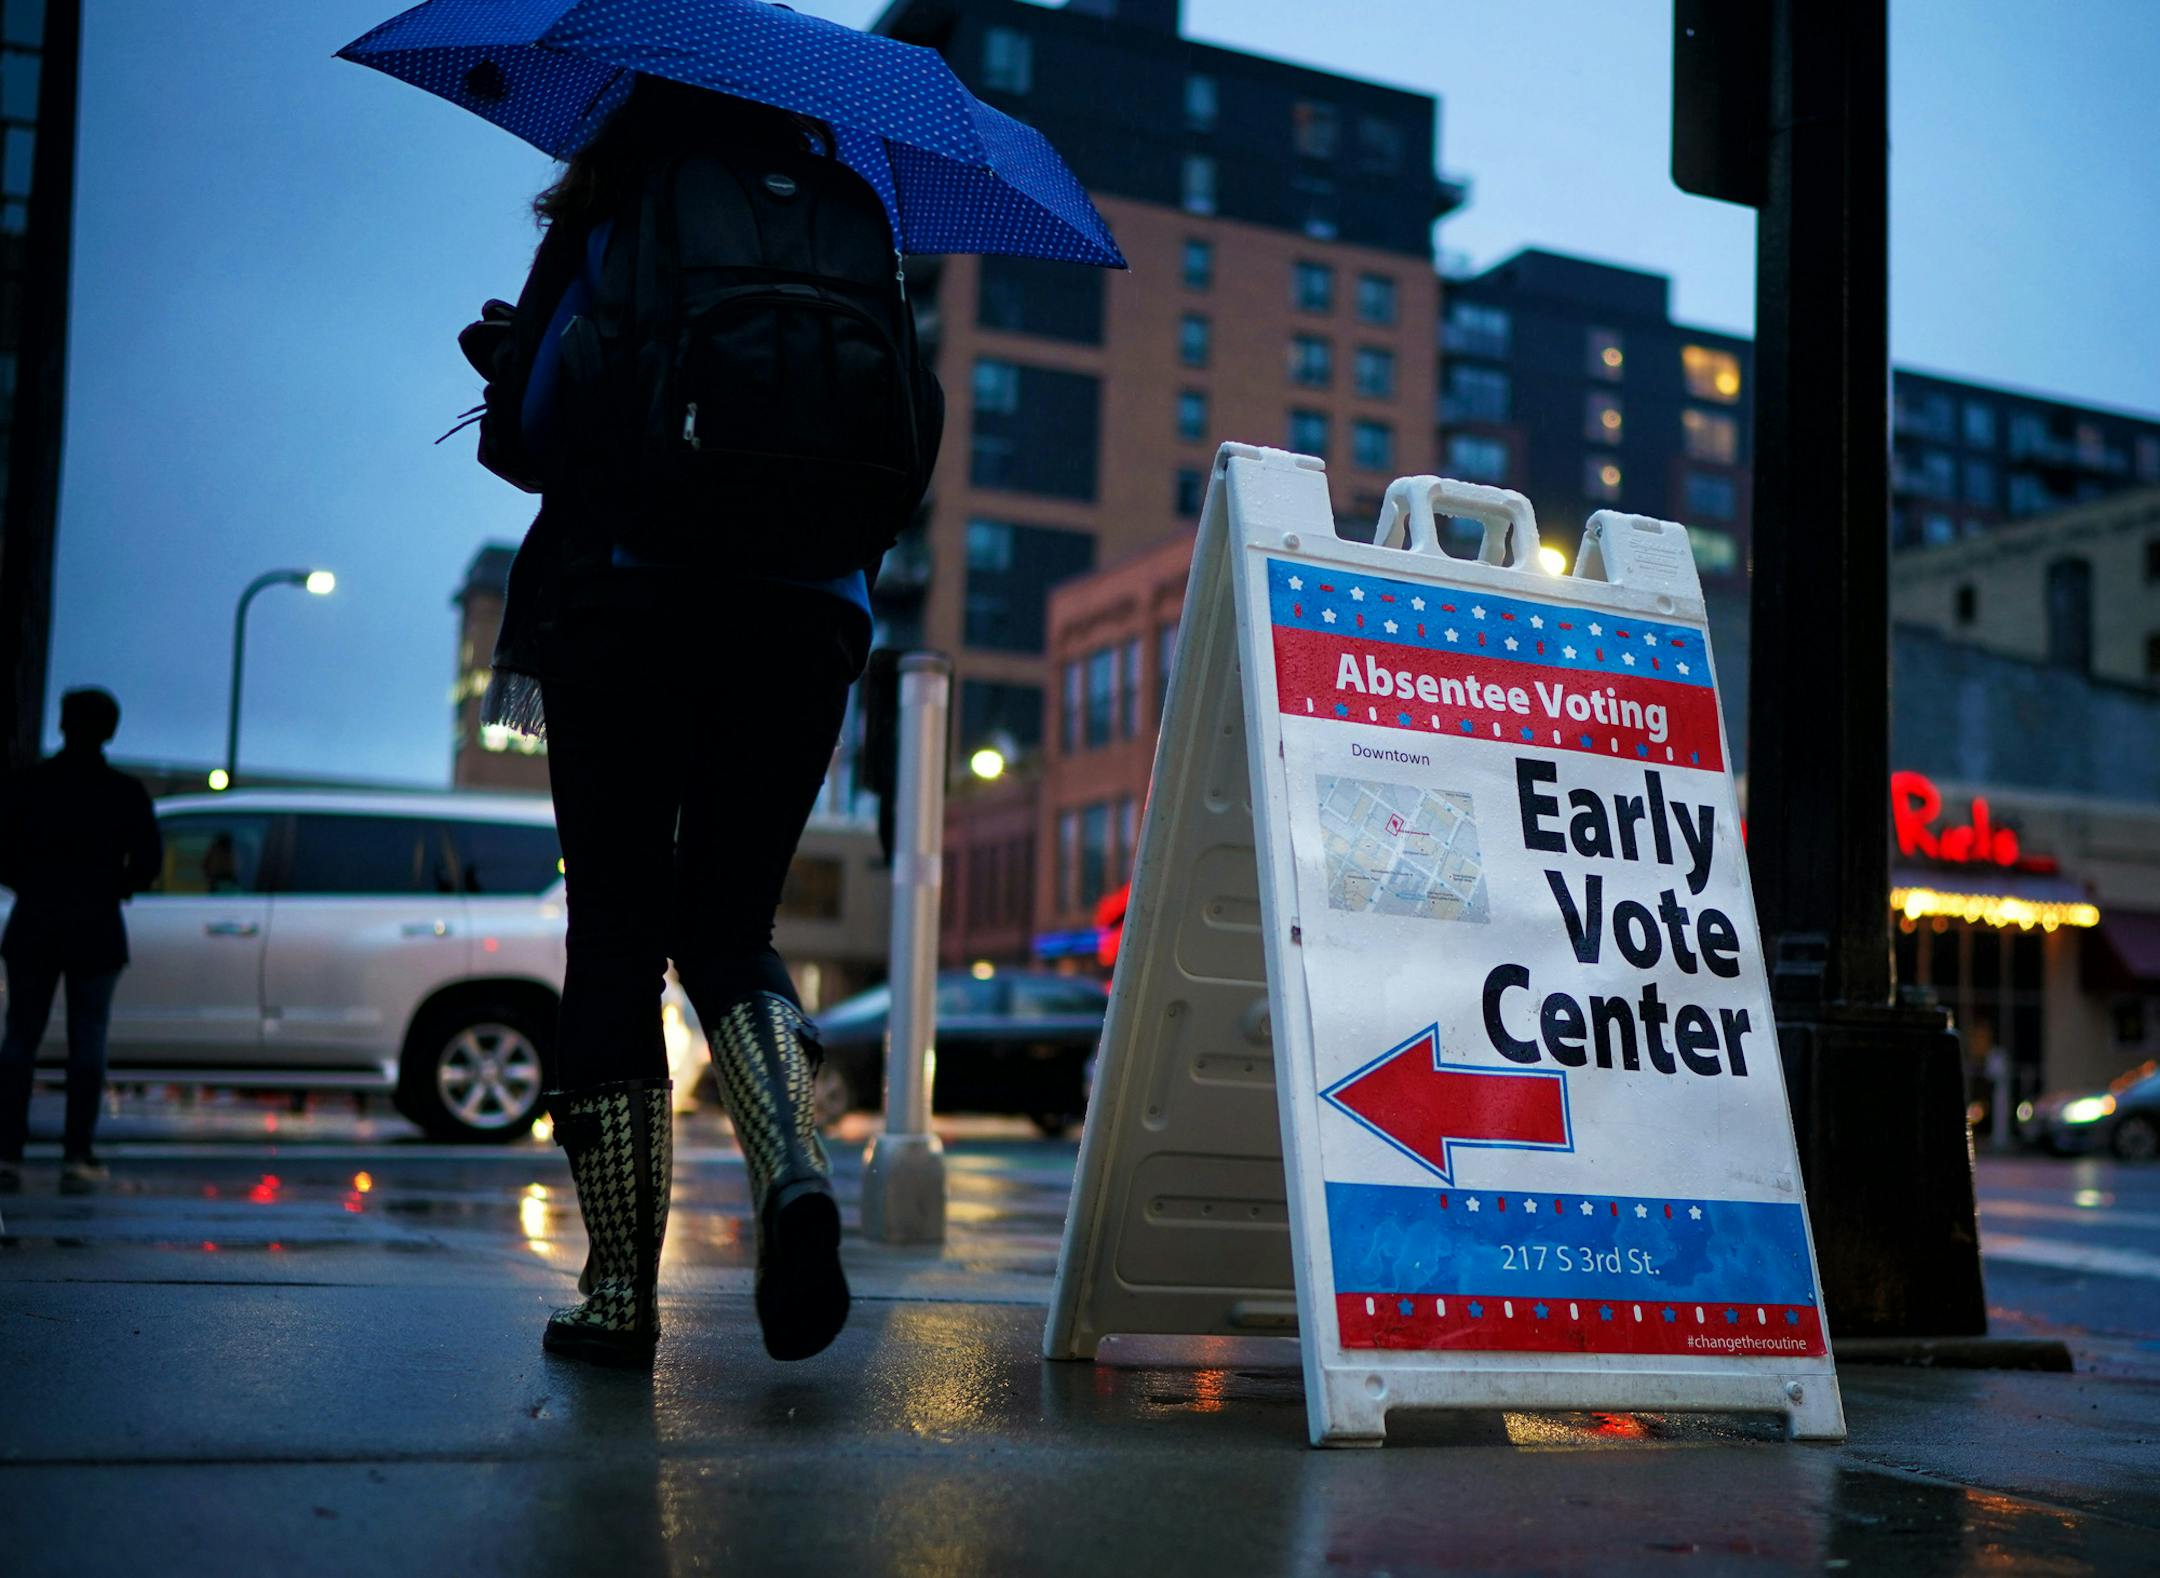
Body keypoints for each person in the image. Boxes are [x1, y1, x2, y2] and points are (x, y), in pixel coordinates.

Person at [471, 78, 940, 1370]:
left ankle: (621, 1292)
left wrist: (508, 357)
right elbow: (912, 426)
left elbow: (531, 431)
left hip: (627, 593)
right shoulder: (852, 213)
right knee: (733, 924)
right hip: (808, 613)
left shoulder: (624, 204)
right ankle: (794, 1168)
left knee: (618, 923)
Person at [0, 688, 163, 1193]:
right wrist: (115, 886)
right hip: (96, 927)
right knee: (88, 1041)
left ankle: (7, 1149)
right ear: (109, 730)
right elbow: (149, 863)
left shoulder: (29, 785)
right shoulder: (124, 792)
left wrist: (34, 883)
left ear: (63, 724)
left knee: (20, 1039)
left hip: (35, 922)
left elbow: (3, 851)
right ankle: (77, 1152)